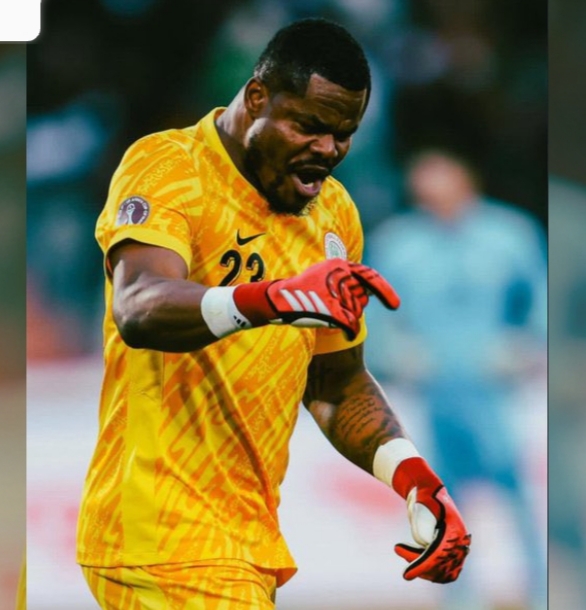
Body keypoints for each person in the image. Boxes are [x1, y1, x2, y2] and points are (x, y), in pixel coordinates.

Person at [76, 19, 470, 609]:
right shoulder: (170, 166)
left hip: (245, 540)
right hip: (164, 533)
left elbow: (335, 382)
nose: (327, 150)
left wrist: (414, 477)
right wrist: (274, 298)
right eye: (308, 126)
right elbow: (138, 306)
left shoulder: (334, 215)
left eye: (343, 134)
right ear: (257, 96)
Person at [365, 149, 547, 609]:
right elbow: (374, 310)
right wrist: (394, 353)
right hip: (434, 387)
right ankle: (457, 595)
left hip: (493, 385)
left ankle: (539, 585)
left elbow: (541, 293)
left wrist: (526, 344)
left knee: (516, 488)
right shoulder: (400, 242)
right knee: (441, 495)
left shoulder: (509, 233)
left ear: (466, 183)